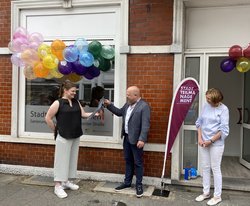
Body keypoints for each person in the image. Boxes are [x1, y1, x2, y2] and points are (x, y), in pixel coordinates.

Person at [45, 80, 99, 199]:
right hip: (63, 135)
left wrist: (94, 114)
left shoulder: (75, 102)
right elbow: (48, 118)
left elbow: (83, 114)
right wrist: (55, 130)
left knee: (72, 159)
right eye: (72, 91)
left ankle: (66, 182)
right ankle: (58, 185)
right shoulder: (57, 103)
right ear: (65, 91)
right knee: (61, 161)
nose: (75, 93)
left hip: (76, 135)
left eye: (75, 91)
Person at [104, 86, 151, 198]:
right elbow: (120, 112)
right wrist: (109, 105)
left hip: (136, 140)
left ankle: (139, 185)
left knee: (138, 162)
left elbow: (146, 124)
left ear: (135, 95)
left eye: (128, 94)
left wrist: (142, 139)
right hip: (126, 138)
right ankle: (127, 182)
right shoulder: (127, 105)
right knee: (128, 160)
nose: (127, 96)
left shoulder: (144, 106)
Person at [195, 88, 229, 206]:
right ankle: (206, 193)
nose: (206, 99)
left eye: (209, 98)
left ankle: (217, 196)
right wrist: (200, 138)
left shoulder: (224, 109)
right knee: (205, 167)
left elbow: (223, 129)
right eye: (206, 97)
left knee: (215, 168)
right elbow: (199, 122)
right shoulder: (206, 106)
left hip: (216, 144)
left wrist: (210, 140)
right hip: (203, 142)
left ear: (215, 99)